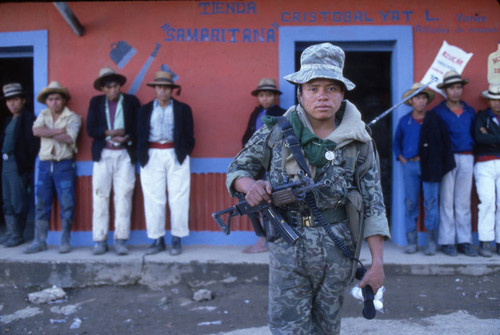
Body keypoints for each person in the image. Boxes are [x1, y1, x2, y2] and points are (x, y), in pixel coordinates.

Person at [226, 43, 390, 334]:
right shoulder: (275, 130)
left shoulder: (359, 141)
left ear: (342, 94)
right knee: (287, 327)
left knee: (327, 327)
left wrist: (377, 263)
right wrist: (251, 185)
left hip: (339, 249)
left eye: (331, 88)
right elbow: (238, 168)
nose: (322, 97)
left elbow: (373, 202)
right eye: (313, 88)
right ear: (299, 92)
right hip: (287, 246)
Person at [137, 71, 195, 256]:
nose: (163, 91)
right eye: (159, 87)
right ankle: (157, 239)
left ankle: (177, 238)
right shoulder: (145, 110)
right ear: (154, 89)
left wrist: (184, 152)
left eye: (167, 88)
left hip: (175, 154)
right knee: (154, 197)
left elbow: (189, 135)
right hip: (151, 155)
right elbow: (138, 134)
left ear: (172, 90)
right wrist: (141, 156)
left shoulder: (182, 109)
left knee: (179, 196)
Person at [394, 83, 455, 256]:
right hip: (410, 166)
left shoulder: (435, 120)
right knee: (411, 202)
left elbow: (444, 144)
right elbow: (396, 143)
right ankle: (412, 242)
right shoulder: (404, 121)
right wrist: (403, 160)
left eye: (423, 97)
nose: (421, 101)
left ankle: (431, 242)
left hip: (430, 165)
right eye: (417, 98)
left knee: (431, 203)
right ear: (411, 101)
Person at [86, 67, 140, 255]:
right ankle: (100, 240)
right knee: (100, 195)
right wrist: (111, 133)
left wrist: (127, 137)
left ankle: (120, 239)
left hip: (125, 154)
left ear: (120, 86)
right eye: (109, 87)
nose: (113, 90)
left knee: (124, 195)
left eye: (116, 86)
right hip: (103, 155)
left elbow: (137, 127)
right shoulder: (96, 103)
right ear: (103, 89)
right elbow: (91, 129)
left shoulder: (131, 102)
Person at [24, 81, 81, 254]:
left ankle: (65, 240)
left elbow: (70, 138)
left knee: (67, 202)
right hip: (44, 163)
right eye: (50, 99)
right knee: (41, 202)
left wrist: (48, 131)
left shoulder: (73, 117)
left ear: (63, 101)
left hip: (63, 164)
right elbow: (36, 131)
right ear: (46, 101)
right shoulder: (43, 114)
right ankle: (39, 241)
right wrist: (58, 131)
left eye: (57, 99)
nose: (54, 102)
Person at [432, 71, 478, 257]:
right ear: (445, 90)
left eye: (459, 87)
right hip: (447, 159)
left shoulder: (469, 111)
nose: (456, 91)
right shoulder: (438, 112)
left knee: (463, 201)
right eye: (452, 88)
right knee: (446, 200)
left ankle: (464, 241)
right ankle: (447, 241)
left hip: (467, 156)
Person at [241, 78, 286, 254]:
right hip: (256, 165)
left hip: (274, 163)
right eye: (262, 95)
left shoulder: (282, 114)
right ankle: (262, 237)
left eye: (269, 95)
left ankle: (274, 239)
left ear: (275, 96)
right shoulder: (255, 114)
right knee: (253, 199)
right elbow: (246, 137)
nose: (265, 98)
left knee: (275, 199)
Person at [0, 83, 40, 247]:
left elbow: (32, 145)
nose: (12, 104)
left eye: (15, 100)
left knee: (18, 200)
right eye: (9, 101)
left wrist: (25, 163)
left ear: (23, 100)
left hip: (17, 164)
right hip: (6, 162)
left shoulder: (28, 118)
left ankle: (18, 234)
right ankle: (10, 232)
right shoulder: (8, 119)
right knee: (7, 199)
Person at [473, 83, 500, 257]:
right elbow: (479, 138)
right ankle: (485, 241)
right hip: (484, 163)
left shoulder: (486, 120)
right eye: (493, 100)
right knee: (487, 202)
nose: (497, 103)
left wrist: (490, 136)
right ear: (488, 100)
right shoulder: (482, 116)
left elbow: (486, 138)